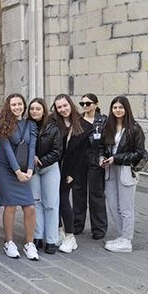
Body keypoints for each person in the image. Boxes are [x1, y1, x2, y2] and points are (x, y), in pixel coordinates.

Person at [0, 94, 39, 260]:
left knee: (30, 206)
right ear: (8, 106)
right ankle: (9, 242)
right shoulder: (3, 123)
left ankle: (29, 244)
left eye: (20, 104)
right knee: (10, 205)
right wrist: (17, 171)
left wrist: (30, 170)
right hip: (4, 168)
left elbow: (32, 148)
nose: (17, 107)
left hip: (22, 168)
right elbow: (6, 148)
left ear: (24, 106)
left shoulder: (30, 125)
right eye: (13, 104)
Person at [99, 96, 147, 253]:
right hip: (110, 168)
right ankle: (122, 236)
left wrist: (116, 158)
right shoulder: (108, 126)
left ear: (126, 109)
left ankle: (127, 239)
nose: (117, 110)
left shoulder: (134, 128)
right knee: (112, 204)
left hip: (125, 169)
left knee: (126, 207)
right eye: (115, 107)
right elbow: (101, 147)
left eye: (120, 107)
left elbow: (139, 153)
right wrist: (102, 158)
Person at [50, 94, 93, 253]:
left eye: (65, 105)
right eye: (59, 107)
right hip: (53, 167)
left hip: (69, 170)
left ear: (70, 104)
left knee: (63, 200)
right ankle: (59, 230)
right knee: (53, 200)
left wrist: (73, 174)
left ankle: (70, 236)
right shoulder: (53, 122)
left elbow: (83, 154)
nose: (63, 109)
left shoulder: (83, 125)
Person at [28, 98, 62, 255]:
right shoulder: (26, 126)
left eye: (38, 109)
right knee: (36, 202)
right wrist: (31, 158)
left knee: (51, 204)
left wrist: (41, 161)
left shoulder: (53, 128)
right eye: (32, 109)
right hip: (33, 169)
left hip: (49, 167)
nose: (34, 111)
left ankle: (51, 239)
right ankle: (37, 236)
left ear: (44, 111)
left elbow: (57, 151)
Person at [72, 93, 108, 239]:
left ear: (96, 104)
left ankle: (99, 228)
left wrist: (103, 156)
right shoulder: (78, 120)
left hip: (95, 157)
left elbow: (106, 141)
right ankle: (77, 224)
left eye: (88, 103)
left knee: (96, 194)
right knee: (78, 192)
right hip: (80, 158)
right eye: (82, 104)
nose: (85, 106)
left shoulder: (103, 120)